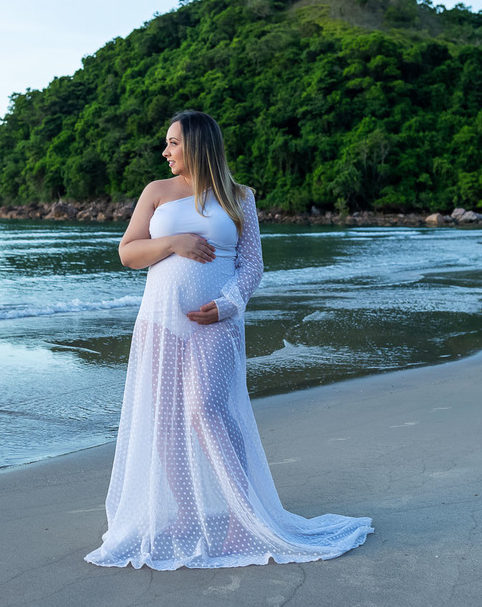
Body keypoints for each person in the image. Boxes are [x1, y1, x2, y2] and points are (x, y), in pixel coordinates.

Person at [86, 110, 373, 570]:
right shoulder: (156, 194)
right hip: (160, 321)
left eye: (173, 143)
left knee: (206, 407)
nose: (165, 151)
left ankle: (243, 512)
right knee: (166, 418)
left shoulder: (240, 197)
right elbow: (127, 252)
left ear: (197, 145)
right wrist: (174, 242)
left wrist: (228, 304)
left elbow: (252, 265)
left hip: (216, 320)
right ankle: (183, 515)